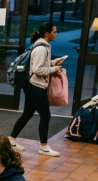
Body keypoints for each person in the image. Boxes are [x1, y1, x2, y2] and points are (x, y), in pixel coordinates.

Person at [9, 22, 67, 157]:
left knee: (28, 113)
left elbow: (38, 64)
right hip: (36, 86)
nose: (56, 34)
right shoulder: (41, 48)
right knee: (46, 116)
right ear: (47, 34)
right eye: (54, 32)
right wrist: (54, 69)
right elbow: (38, 69)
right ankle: (44, 147)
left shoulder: (42, 46)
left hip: (32, 85)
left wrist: (53, 62)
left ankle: (11, 140)